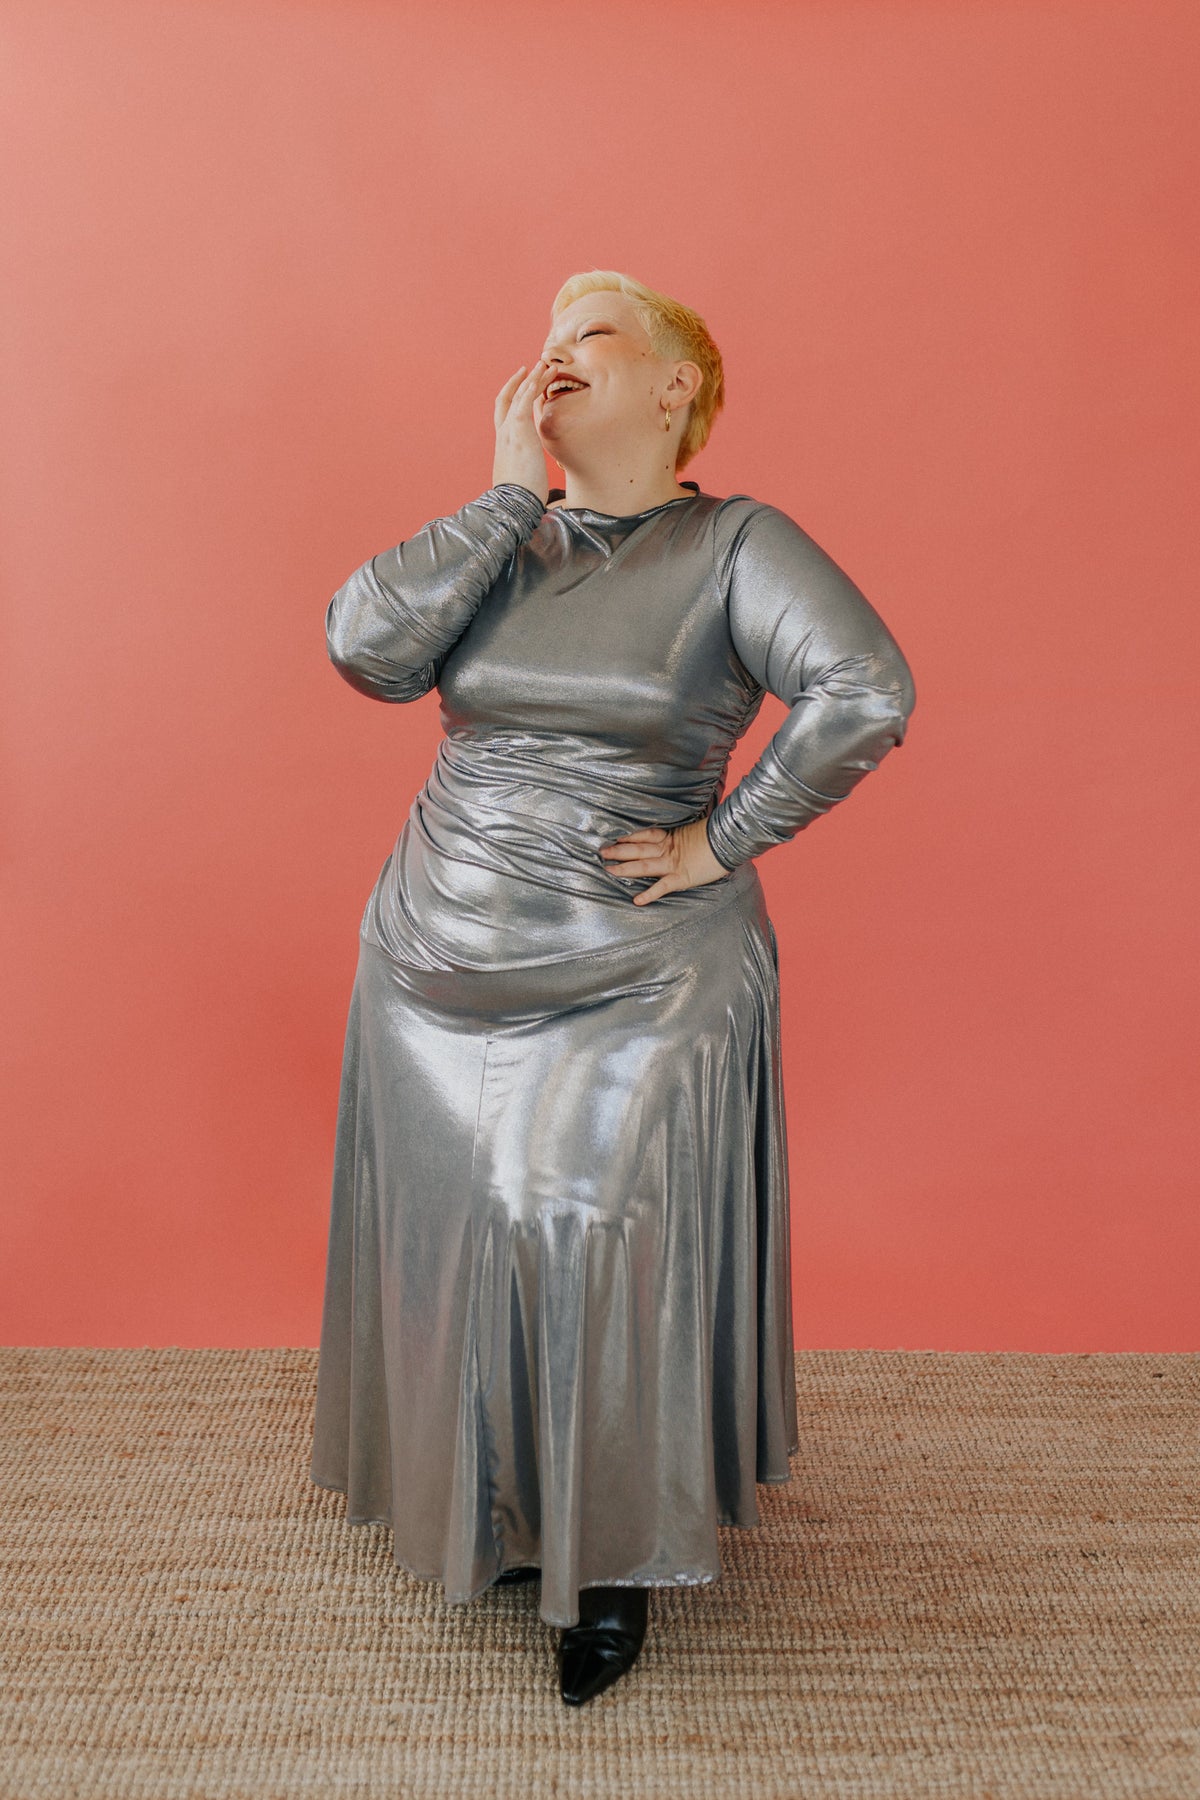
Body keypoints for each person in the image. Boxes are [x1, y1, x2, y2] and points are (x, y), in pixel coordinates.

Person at [309, 269, 917, 1707]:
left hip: (640, 961)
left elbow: (866, 689)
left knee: (586, 1233)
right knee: (470, 1230)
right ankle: (498, 1505)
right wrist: (499, 500)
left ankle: (609, 1553)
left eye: (590, 333)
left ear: (675, 385)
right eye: (543, 341)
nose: (554, 356)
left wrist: (727, 838)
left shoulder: (734, 544)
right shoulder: (502, 540)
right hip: (435, 948)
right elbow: (363, 651)